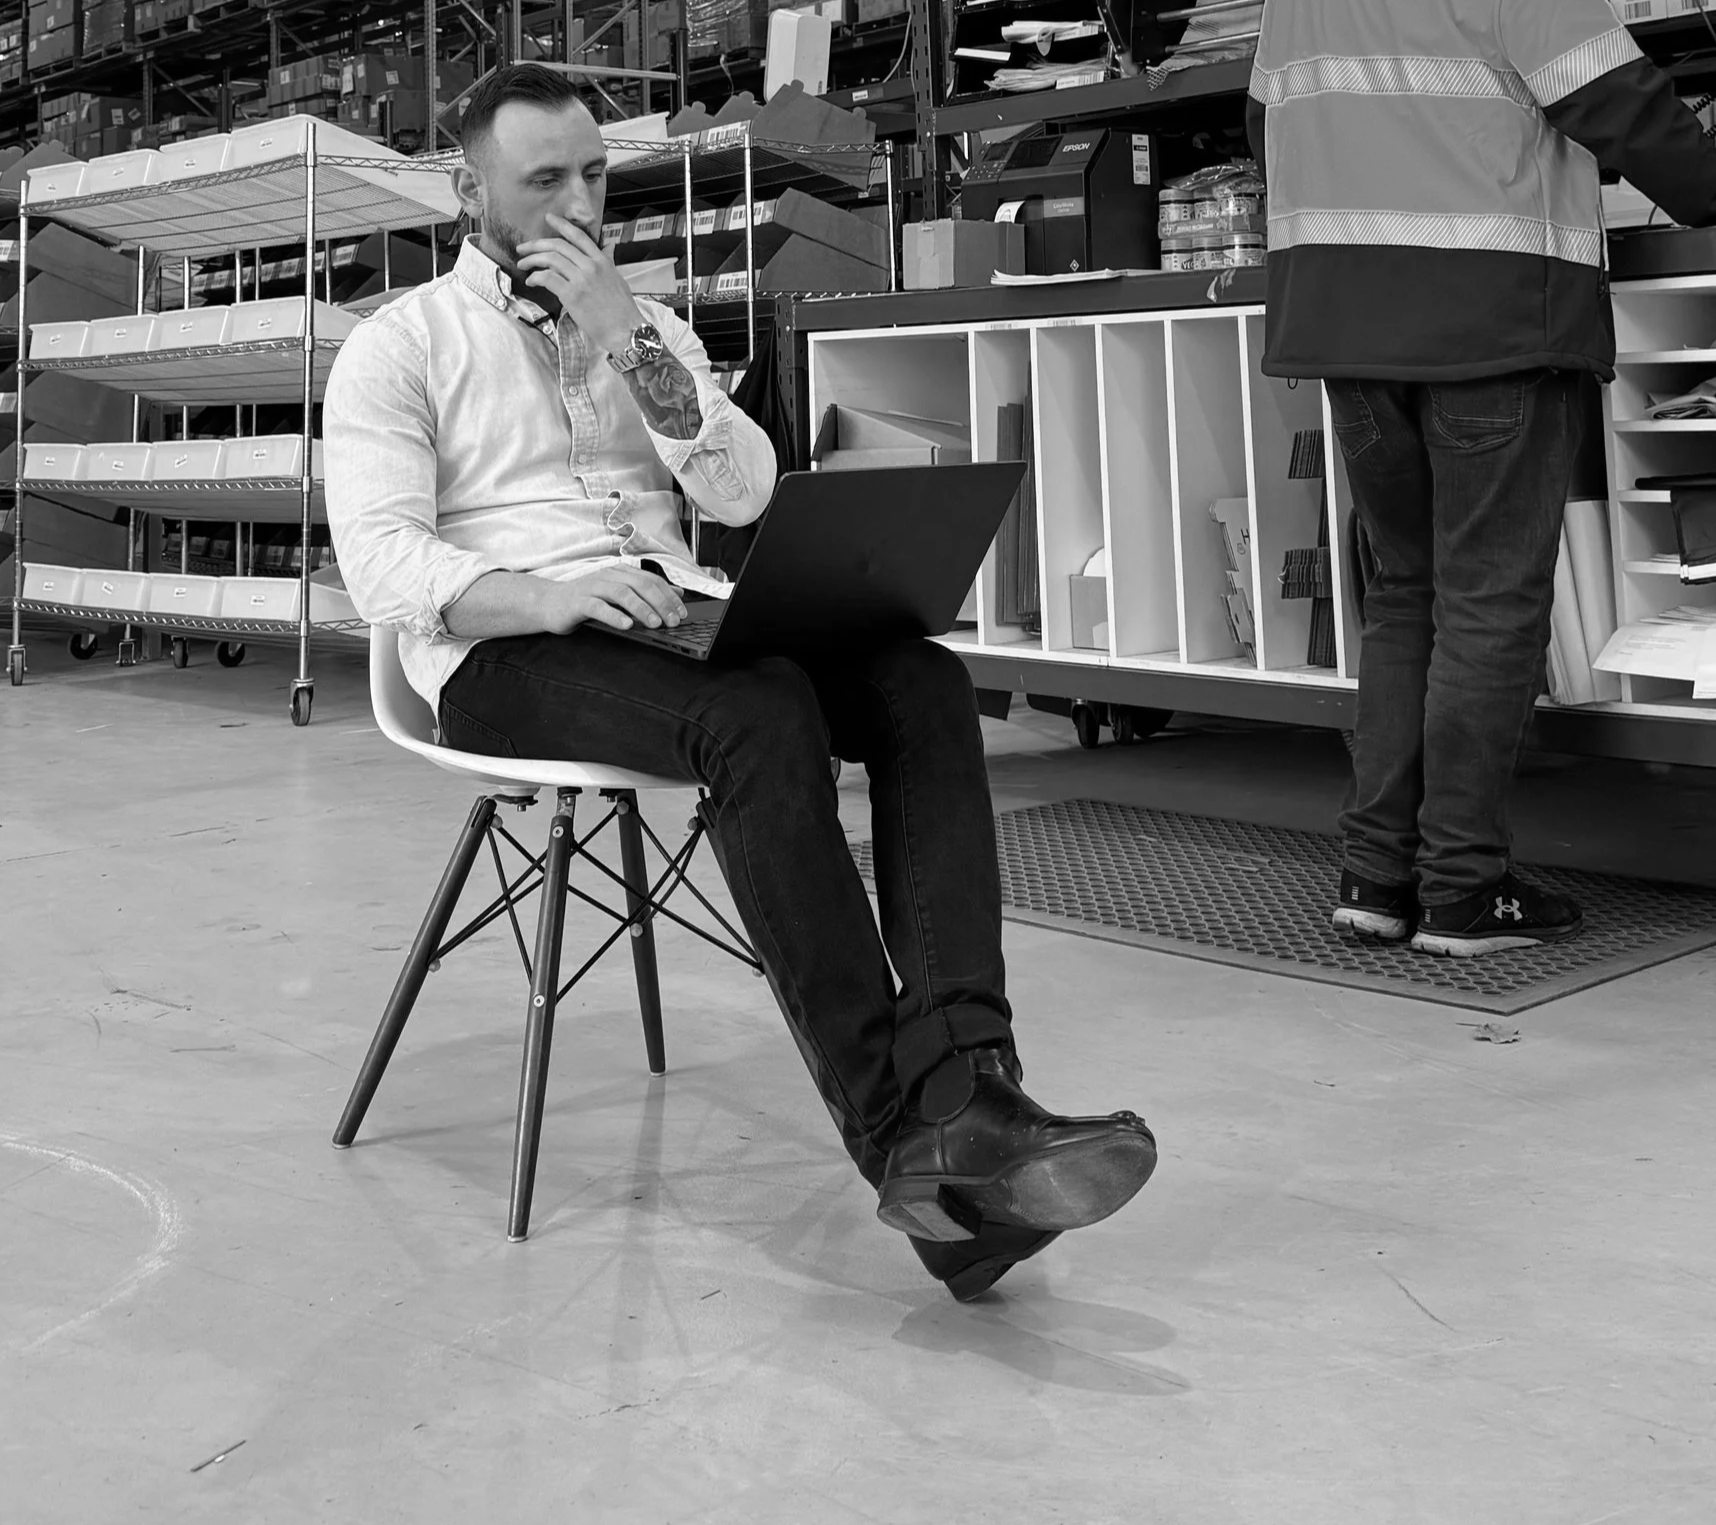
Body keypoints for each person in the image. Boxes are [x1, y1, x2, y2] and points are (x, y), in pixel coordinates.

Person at [324, 63, 1156, 1297]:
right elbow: (383, 566)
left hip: (671, 615)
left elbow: (743, 493)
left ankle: (970, 1088)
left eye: (594, 175)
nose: (578, 205)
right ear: (467, 187)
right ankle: (903, 1142)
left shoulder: (639, 324)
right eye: (543, 179)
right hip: (500, 652)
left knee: (919, 677)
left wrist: (623, 340)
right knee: (759, 715)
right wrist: (551, 593)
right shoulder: (402, 345)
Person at [1247, 0, 1716, 960]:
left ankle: (1371, 879)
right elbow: (1609, 99)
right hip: (1488, 320)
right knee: (1492, 607)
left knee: (1404, 598)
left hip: (1344, 329)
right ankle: (1460, 889)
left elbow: (1265, 125)